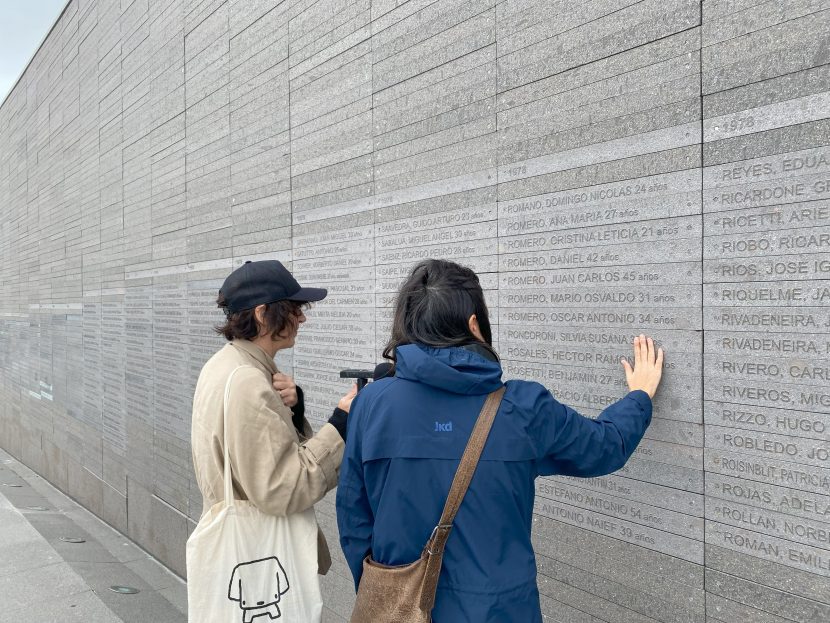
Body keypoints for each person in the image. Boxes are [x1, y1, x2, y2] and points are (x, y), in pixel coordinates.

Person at [336, 259, 664, 622]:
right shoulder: (523, 409)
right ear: (474, 323)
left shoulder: (370, 405)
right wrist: (639, 397)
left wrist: (384, 594)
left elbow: (353, 519)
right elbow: (604, 447)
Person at [191, 260, 356, 580]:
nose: (302, 317)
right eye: (294, 309)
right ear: (263, 314)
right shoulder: (248, 382)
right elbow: (284, 488)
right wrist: (341, 425)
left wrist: (294, 410)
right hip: (261, 565)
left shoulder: (226, 365)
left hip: (247, 555)